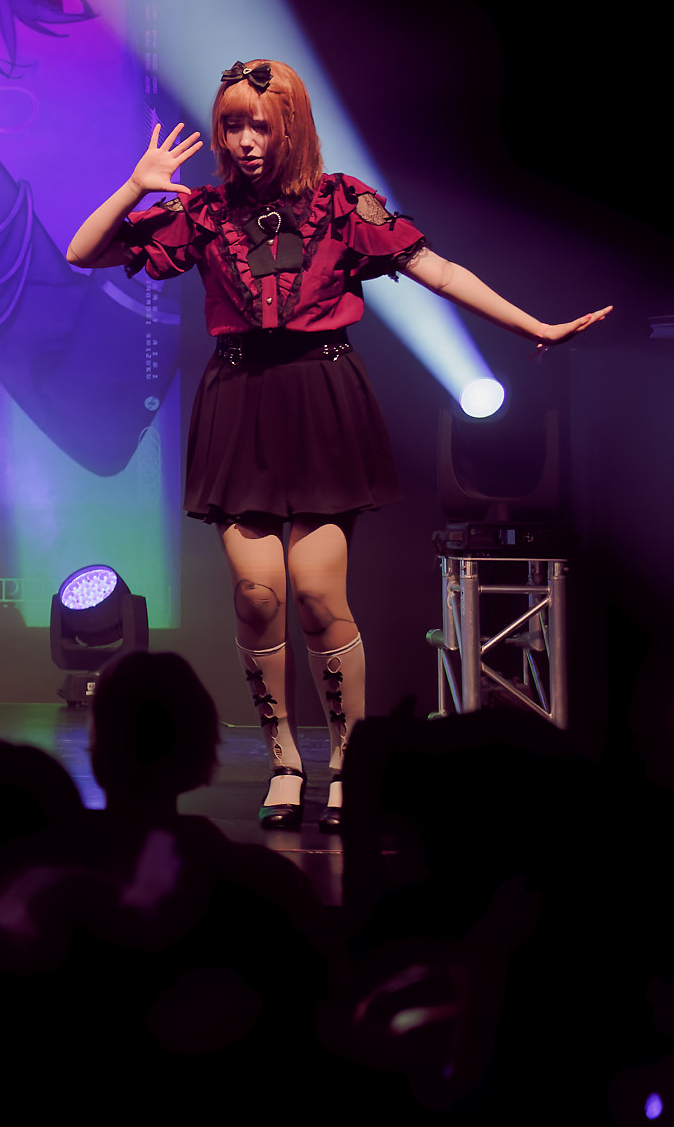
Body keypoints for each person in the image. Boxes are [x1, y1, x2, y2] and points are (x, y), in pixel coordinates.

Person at [64, 58, 610, 831]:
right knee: (258, 596)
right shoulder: (206, 212)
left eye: (260, 125)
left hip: (321, 397)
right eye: (232, 125)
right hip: (239, 400)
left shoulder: (343, 203)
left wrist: (535, 326)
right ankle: (285, 760)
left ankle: (349, 757)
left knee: (319, 597)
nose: (245, 141)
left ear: (291, 127)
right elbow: (83, 252)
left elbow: (438, 272)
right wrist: (134, 187)